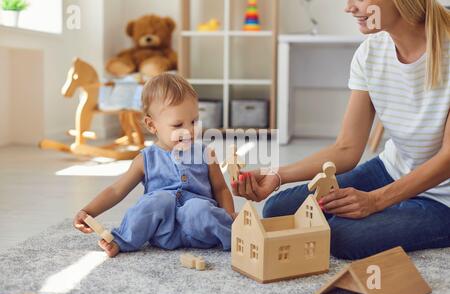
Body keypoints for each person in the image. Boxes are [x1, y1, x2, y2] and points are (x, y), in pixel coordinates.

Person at [233, 0, 450, 260]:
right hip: (392, 170)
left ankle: (407, 211)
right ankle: (401, 207)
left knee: (342, 235)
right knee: (279, 209)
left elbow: (447, 160)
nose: (349, 8)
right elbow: (346, 149)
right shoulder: (370, 53)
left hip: (443, 197)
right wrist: (275, 175)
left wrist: (376, 201)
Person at [73, 74, 236, 257]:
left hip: (201, 229)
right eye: (177, 124)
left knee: (197, 208)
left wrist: (229, 216)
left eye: (194, 121)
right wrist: (88, 211)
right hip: (163, 232)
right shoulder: (146, 159)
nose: (189, 130)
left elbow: (221, 189)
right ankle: (122, 240)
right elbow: (116, 190)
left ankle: (236, 237)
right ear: (152, 125)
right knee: (158, 200)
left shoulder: (206, 154)